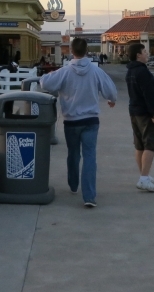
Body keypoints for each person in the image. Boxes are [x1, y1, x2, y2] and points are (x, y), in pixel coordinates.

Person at [40, 37, 118, 208]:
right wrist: (111, 99)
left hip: (71, 121)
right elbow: (110, 89)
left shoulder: (65, 71)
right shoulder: (95, 71)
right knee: (90, 156)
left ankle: (73, 184)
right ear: (87, 50)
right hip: (91, 120)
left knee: (73, 154)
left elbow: (46, 83)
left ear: (71, 51)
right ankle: (89, 196)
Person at [125, 43, 154, 192]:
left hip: (134, 111)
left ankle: (144, 175)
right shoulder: (143, 73)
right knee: (150, 144)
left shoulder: (130, 71)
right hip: (146, 113)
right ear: (138, 55)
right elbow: (150, 95)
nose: (147, 53)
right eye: (144, 51)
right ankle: (144, 178)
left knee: (139, 144)